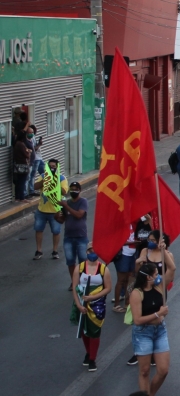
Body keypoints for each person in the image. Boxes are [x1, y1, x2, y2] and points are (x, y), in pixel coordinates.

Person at [129, 262, 170, 395]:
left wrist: (165, 250)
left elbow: (172, 269)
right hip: (143, 333)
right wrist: (158, 314)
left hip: (160, 330)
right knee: (145, 370)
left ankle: (150, 394)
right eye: (156, 274)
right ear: (148, 277)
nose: (159, 277)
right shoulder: (137, 293)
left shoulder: (158, 287)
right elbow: (137, 320)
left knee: (163, 370)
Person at [71, 243, 112, 372]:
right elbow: (74, 286)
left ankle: (93, 358)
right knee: (84, 329)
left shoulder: (104, 269)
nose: (92, 253)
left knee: (94, 330)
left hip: (97, 304)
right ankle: (88, 352)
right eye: (90, 251)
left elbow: (108, 288)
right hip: (82, 303)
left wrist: (93, 297)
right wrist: (78, 304)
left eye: (95, 251)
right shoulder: (80, 268)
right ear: (86, 252)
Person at [33, 159, 68, 261]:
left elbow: (64, 192)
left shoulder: (62, 178)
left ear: (57, 167)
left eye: (54, 166)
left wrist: (54, 181)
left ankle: (55, 251)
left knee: (56, 231)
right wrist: (46, 180)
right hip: (41, 210)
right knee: (38, 229)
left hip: (55, 211)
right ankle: (39, 251)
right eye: (50, 166)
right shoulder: (43, 176)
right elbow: (35, 186)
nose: (52, 168)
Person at [61, 182, 89, 284]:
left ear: (80, 190)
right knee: (70, 261)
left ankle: (83, 281)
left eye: (75, 189)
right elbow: (61, 220)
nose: (73, 191)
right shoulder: (66, 203)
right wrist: (57, 215)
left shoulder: (83, 202)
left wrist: (66, 206)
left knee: (83, 260)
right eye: (71, 189)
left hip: (81, 237)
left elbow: (79, 215)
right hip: (68, 237)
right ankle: (74, 282)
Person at [12, 131, 31, 202]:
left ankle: (17, 197)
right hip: (23, 165)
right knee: (22, 182)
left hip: (17, 165)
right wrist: (29, 152)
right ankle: (22, 197)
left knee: (18, 182)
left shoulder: (16, 144)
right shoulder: (21, 144)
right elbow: (26, 154)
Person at [26, 125, 43, 197]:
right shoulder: (30, 139)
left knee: (36, 174)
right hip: (35, 159)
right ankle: (30, 191)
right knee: (31, 175)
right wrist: (39, 144)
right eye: (32, 131)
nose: (33, 133)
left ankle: (32, 190)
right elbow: (33, 149)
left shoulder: (33, 137)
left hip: (38, 158)